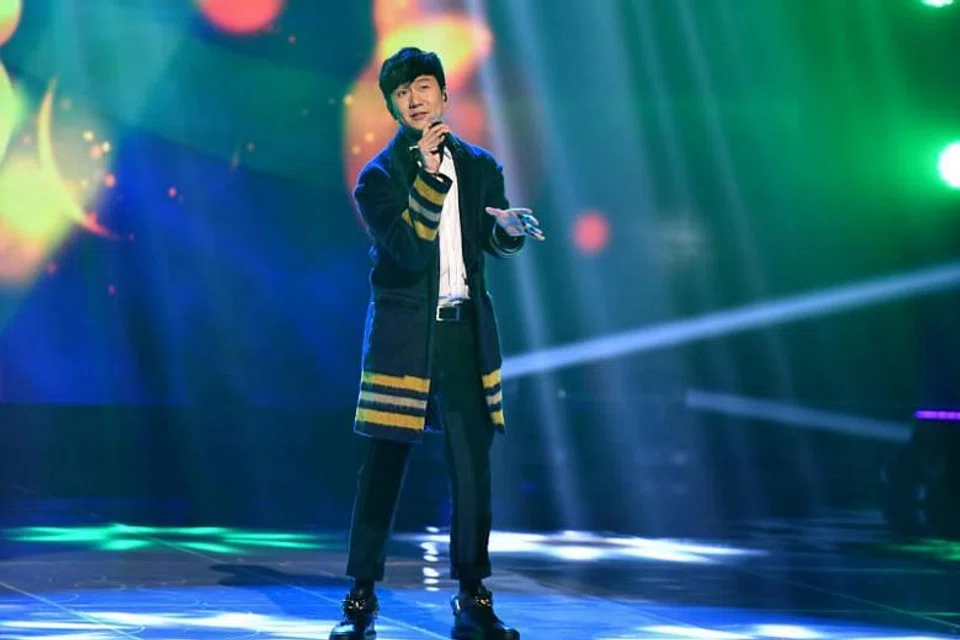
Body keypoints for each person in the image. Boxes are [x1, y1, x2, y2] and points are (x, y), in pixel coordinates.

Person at [328, 47, 543, 640]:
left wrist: (506, 231)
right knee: (383, 468)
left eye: (423, 86)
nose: (415, 99)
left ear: (445, 94)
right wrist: (426, 175)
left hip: (463, 334)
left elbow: (488, 244)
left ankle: (473, 595)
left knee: (472, 470)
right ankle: (361, 595)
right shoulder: (377, 178)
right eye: (402, 93)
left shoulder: (480, 166)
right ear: (393, 108)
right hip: (403, 339)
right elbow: (409, 249)